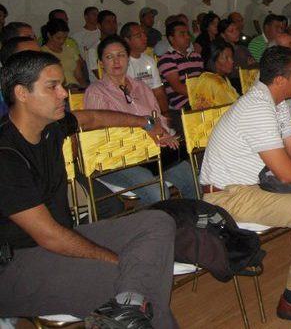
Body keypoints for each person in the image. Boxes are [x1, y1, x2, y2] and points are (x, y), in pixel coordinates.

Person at [0, 50, 177, 328]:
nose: (64, 93)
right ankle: (130, 303)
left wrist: (146, 122)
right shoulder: (6, 155)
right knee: (134, 288)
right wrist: (115, 260)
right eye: (52, 86)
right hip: (15, 265)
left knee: (158, 221)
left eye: (62, 84)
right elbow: (49, 236)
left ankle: (128, 304)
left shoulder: (51, 127)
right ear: (21, 93)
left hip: (60, 238)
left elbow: (91, 118)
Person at [199, 46, 291, 323]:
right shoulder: (257, 108)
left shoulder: (277, 103)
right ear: (280, 80)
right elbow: (287, 173)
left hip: (253, 187)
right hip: (228, 197)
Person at [85, 35, 196, 205]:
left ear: (128, 59)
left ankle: (194, 219)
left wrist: (165, 133)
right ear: (101, 63)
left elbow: (158, 117)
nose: (116, 61)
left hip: (151, 154)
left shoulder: (141, 87)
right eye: (109, 57)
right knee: (158, 192)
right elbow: (102, 135)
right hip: (116, 160)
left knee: (191, 176)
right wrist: (146, 133)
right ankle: (155, 222)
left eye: (121, 55)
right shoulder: (96, 92)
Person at [157, 20, 204, 132]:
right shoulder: (167, 59)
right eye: (182, 34)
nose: (187, 37)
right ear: (171, 38)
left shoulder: (196, 56)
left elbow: (203, 81)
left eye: (187, 33)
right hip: (181, 107)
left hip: (198, 101)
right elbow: (177, 87)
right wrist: (200, 97)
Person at [121, 22, 169, 115]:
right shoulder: (121, 64)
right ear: (127, 40)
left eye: (144, 34)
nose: (145, 38)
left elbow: (158, 92)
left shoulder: (149, 60)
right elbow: (127, 98)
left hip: (153, 111)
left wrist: (165, 113)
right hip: (134, 113)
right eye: (139, 36)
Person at [40, 18, 87, 90]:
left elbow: (79, 76)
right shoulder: (43, 53)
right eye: (58, 38)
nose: (62, 41)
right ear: (49, 35)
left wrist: (85, 89)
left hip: (75, 88)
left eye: (65, 38)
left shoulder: (70, 50)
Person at [193, 41, 240, 109]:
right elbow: (205, 112)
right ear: (213, 60)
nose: (232, 61)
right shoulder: (208, 80)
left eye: (231, 57)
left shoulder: (223, 78)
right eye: (226, 58)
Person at [87, 10, 118, 81]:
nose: (112, 25)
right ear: (99, 26)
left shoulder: (121, 45)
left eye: (114, 22)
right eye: (108, 22)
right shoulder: (94, 49)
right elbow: (101, 75)